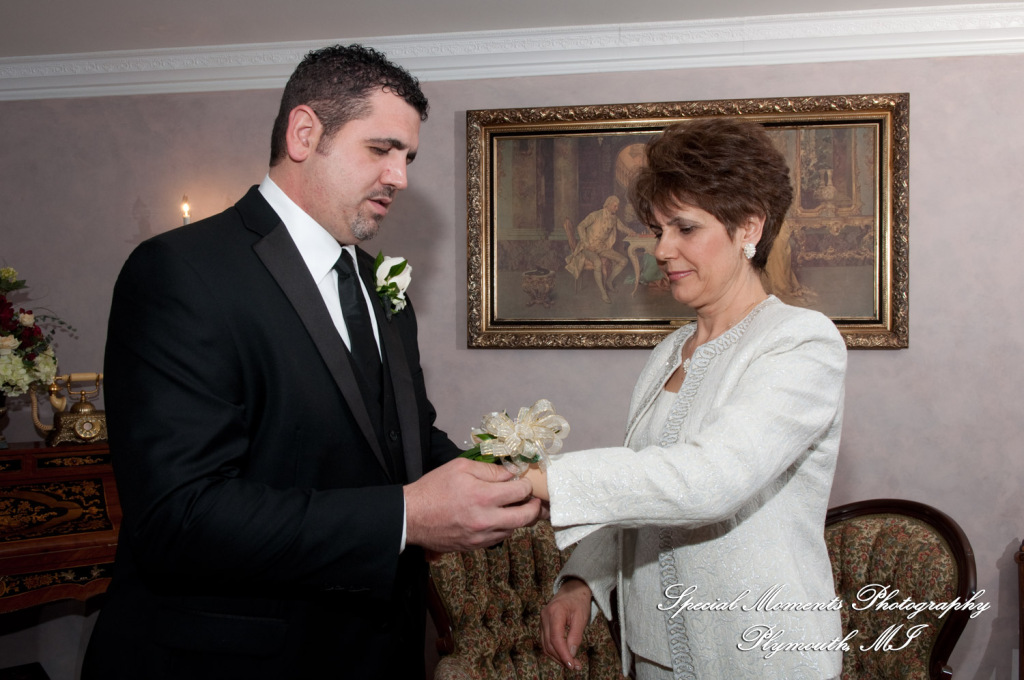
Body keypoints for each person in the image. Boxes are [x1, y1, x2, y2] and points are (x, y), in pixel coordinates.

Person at [83, 44, 540, 680]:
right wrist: (407, 517)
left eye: (407, 157)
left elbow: (399, 440)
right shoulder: (183, 272)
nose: (400, 177)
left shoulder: (383, 287)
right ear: (304, 133)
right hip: (236, 661)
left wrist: (501, 477)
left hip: (377, 650)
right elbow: (178, 517)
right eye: (380, 150)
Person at [526, 118, 846, 680]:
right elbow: (645, 490)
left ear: (749, 226)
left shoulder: (801, 341)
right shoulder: (668, 351)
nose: (661, 249)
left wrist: (539, 479)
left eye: (684, 228)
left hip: (761, 654)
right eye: (656, 230)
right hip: (654, 655)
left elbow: (708, 479)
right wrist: (582, 581)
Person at [564, 195, 633, 302]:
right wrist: (586, 243)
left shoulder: (614, 218)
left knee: (624, 261)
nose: (617, 208)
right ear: (608, 205)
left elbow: (622, 228)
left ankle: (609, 281)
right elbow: (580, 226)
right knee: (597, 263)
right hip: (588, 247)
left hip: (602, 248)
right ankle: (603, 292)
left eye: (617, 206)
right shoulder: (595, 215)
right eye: (615, 206)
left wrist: (632, 232)